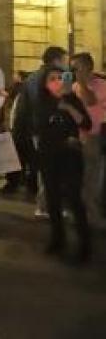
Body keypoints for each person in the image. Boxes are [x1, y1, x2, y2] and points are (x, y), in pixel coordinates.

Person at [35, 65, 92, 263]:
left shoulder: (72, 99)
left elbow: (86, 124)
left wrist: (68, 105)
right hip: (49, 156)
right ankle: (57, 239)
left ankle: (85, 246)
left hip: (70, 156)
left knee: (74, 201)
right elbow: (38, 127)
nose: (57, 81)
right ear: (45, 83)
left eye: (61, 77)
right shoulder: (42, 102)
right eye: (52, 78)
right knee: (53, 200)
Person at [13, 46, 70, 217]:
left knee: (44, 169)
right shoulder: (57, 75)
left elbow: (23, 107)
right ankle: (50, 206)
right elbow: (62, 98)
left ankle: (44, 205)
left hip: (36, 128)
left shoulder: (31, 77)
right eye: (65, 59)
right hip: (53, 128)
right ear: (57, 59)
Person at [70, 52, 106, 231]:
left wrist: (82, 83)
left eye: (77, 67)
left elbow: (90, 101)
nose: (74, 71)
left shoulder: (101, 85)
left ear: (88, 67)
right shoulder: (74, 85)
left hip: (93, 137)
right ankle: (81, 214)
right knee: (78, 178)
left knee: (92, 179)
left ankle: (93, 216)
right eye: (73, 67)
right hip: (75, 138)